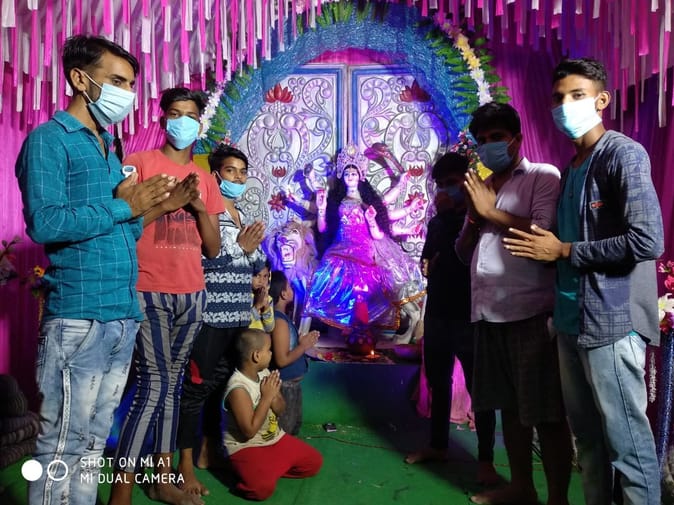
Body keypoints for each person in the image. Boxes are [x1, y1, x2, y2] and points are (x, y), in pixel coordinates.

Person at [15, 35, 177, 505]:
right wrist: (123, 206)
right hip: (78, 317)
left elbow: (121, 227)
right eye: (117, 81)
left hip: (121, 314)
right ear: (80, 79)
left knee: (91, 445)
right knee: (62, 446)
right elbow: (46, 223)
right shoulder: (49, 140)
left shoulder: (107, 146)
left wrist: (151, 207)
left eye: (130, 84)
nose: (127, 94)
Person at [502, 58, 664, 505]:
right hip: (570, 321)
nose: (565, 105)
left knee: (628, 446)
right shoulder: (573, 166)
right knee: (589, 445)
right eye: (558, 98)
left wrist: (564, 251)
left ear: (601, 100)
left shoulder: (622, 154)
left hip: (613, 322)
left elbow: (648, 240)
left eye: (577, 95)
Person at [109, 87, 223, 505]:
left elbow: (213, 248)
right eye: (174, 113)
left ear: (199, 124)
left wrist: (196, 207)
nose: (182, 121)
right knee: (153, 386)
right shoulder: (139, 164)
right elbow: (121, 224)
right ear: (162, 120)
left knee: (172, 386)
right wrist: (171, 201)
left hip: (192, 294)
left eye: (190, 115)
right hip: (148, 288)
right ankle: (121, 492)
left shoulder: (205, 179)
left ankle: (161, 479)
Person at [455, 102, 573, 505]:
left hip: (530, 312)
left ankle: (557, 498)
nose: (489, 146)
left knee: (546, 413)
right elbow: (462, 253)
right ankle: (522, 486)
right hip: (487, 314)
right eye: (482, 140)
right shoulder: (484, 186)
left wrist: (492, 211)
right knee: (509, 408)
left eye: (497, 138)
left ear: (517, 139)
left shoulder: (542, 176)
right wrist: (475, 216)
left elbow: (543, 234)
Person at [176, 144, 267, 497]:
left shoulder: (241, 215)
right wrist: (241, 251)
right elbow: (203, 262)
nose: (238, 178)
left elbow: (253, 262)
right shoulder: (204, 212)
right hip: (211, 317)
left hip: (240, 317)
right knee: (195, 391)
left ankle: (207, 451)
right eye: (231, 171)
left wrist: (255, 268)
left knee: (223, 386)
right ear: (215, 175)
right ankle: (183, 467)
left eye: (243, 172)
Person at [404, 152, 498, 486]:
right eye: (441, 184)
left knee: (479, 390)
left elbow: (468, 259)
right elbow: (428, 262)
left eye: (453, 182)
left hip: (470, 315)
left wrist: (451, 226)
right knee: (438, 383)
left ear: (467, 181)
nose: (446, 190)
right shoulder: (437, 222)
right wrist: (430, 262)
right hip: (439, 313)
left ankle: (486, 461)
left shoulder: (481, 219)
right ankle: (438, 446)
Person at [303, 143, 425, 343]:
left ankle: (361, 327)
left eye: (354, 173)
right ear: (342, 176)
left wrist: (371, 219)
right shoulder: (335, 200)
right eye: (347, 173)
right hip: (340, 245)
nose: (350, 176)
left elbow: (377, 234)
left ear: (361, 176)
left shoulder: (370, 202)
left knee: (366, 281)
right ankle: (336, 323)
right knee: (325, 272)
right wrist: (322, 208)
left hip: (364, 247)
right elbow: (323, 228)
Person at [223, 328, 323, 500]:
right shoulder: (238, 388)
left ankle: (267, 469)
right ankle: (249, 470)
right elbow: (249, 432)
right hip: (246, 446)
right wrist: (267, 398)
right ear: (256, 355)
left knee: (314, 463)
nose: (271, 354)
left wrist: (275, 397)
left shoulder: (264, 373)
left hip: (273, 438)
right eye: (268, 350)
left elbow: (281, 410)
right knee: (261, 490)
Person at [269, 270, 320, 435]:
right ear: (283, 294)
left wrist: (302, 343)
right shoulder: (279, 321)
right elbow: (282, 360)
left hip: (292, 385)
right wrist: (303, 346)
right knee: (285, 431)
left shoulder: (282, 318)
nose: (292, 289)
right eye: (289, 287)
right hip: (285, 386)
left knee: (293, 428)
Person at [249, 260, 275, 332]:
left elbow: (269, 328)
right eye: (257, 275)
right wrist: (257, 306)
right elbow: (241, 325)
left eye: (265, 276)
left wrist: (266, 308)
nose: (261, 281)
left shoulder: (268, 299)